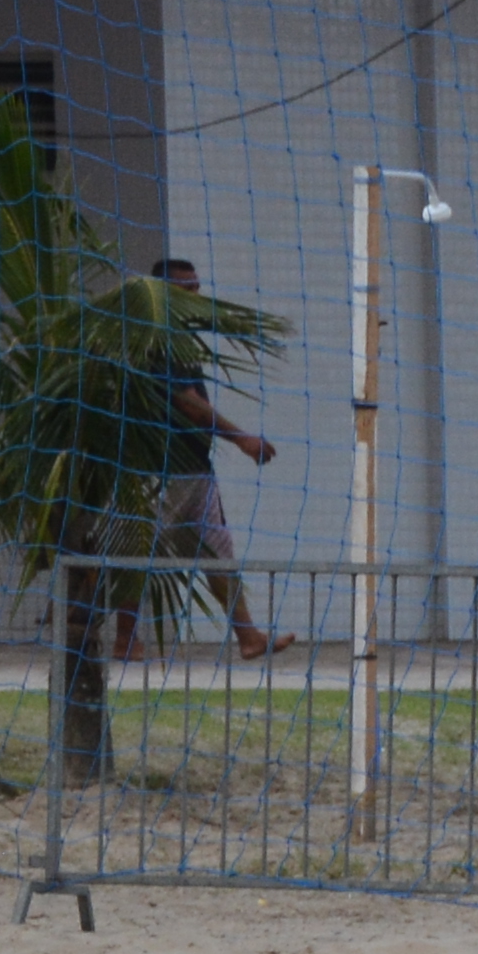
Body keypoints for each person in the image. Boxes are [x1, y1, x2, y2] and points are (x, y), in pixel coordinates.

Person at [134, 258, 288, 661]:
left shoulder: (182, 339)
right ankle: (122, 638)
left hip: (195, 466)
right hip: (164, 467)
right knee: (135, 550)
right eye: (186, 289)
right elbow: (187, 403)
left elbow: (196, 402)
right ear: (163, 292)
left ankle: (248, 636)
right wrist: (240, 438)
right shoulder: (157, 338)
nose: (196, 296)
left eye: (198, 287)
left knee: (218, 553)